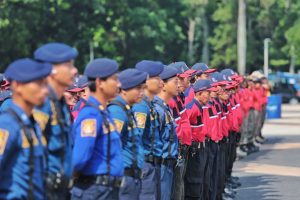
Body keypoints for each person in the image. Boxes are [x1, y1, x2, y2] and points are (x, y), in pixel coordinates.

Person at [71, 58, 123, 200]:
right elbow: (79, 158)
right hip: (94, 190)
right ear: (100, 82)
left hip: (106, 189)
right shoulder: (91, 115)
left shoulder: (103, 112)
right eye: (114, 79)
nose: (118, 84)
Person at [0, 58, 52, 199]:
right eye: (38, 84)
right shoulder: (7, 125)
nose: (45, 91)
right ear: (17, 86)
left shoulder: (32, 123)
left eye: (45, 84)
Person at [33, 42, 78, 199]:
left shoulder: (60, 103)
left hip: (61, 190)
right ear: (52, 70)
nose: (75, 70)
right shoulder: (41, 103)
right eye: (68, 65)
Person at [108, 68, 148, 200]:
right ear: (124, 89)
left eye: (143, 88)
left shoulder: (127, 109)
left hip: (132, 176)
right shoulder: (117, 112)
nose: (142, 93)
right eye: (138, 88)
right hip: (124, 176)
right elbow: (112, 145)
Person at [133, 60, 164, 200]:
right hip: (145, 164)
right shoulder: (140, 107)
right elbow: (136, 138)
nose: (160, 82)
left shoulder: (149, 104)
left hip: (153, 164)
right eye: (157, 78)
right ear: (146, 80)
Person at [185, 79, 214, 200]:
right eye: (207, 92)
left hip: (199, 148)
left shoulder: (200, 107)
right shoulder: (192, 107)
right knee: (193, 183)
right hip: (193, 150)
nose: (210, 95)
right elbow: (185, 127)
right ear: (199, 93)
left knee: (199, 182)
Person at [154, 66, 179, 200]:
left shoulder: (165, 107)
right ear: (163, 85)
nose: (178, 85)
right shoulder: (157, 109)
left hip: (168, 164)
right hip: (161, 166)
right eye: (175, 82)